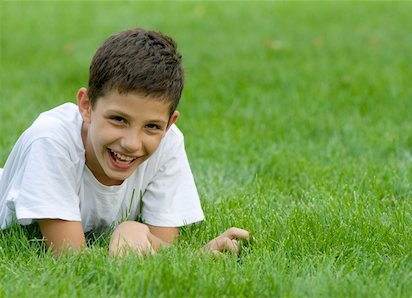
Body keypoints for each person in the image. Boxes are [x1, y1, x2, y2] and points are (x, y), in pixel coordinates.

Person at [0, 28, 249, 257]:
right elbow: (70, 260)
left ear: (170, 123)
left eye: (152, 126)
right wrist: (127, 237)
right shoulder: (51, 141)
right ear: (86, 106)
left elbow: (163, 248)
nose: (131, 143)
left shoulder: (168, 143)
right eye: (118, 119)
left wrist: (193, 257)